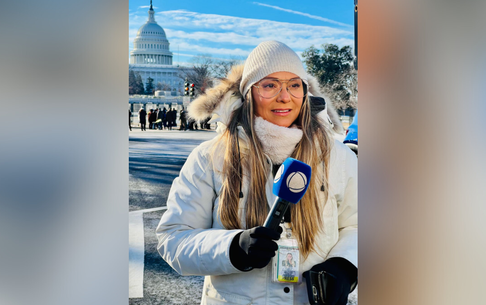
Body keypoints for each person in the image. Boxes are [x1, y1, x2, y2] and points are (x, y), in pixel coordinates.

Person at [156, 41, 357, 305]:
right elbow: (173, 238)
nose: (284, 97)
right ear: (249, 93)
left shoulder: (336, 156)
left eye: (294, 85)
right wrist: (232, 248)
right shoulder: (210, 157)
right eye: (270, 85)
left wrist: (346, 264)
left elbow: (360, 224)